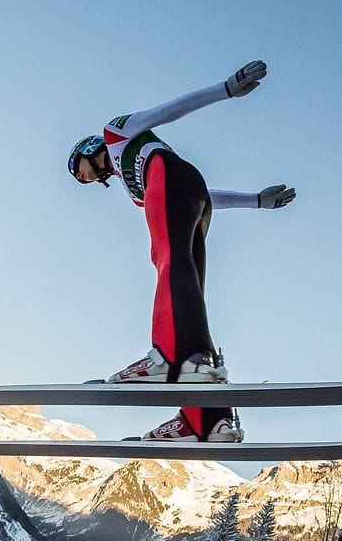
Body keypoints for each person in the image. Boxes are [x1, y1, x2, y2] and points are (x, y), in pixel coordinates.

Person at [68, 60, 296, 442]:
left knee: (167, 260)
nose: (90, 178)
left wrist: (224, 89)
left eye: (84, 171)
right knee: (189, 284)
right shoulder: (134, 189)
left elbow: (168, 111)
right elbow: (205, 197)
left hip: (170, 176)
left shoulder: (116, 133)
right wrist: (256, 201)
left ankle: (168, 358)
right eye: (87, 180)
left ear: (89, 150)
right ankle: (206, 420)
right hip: (195, 192)